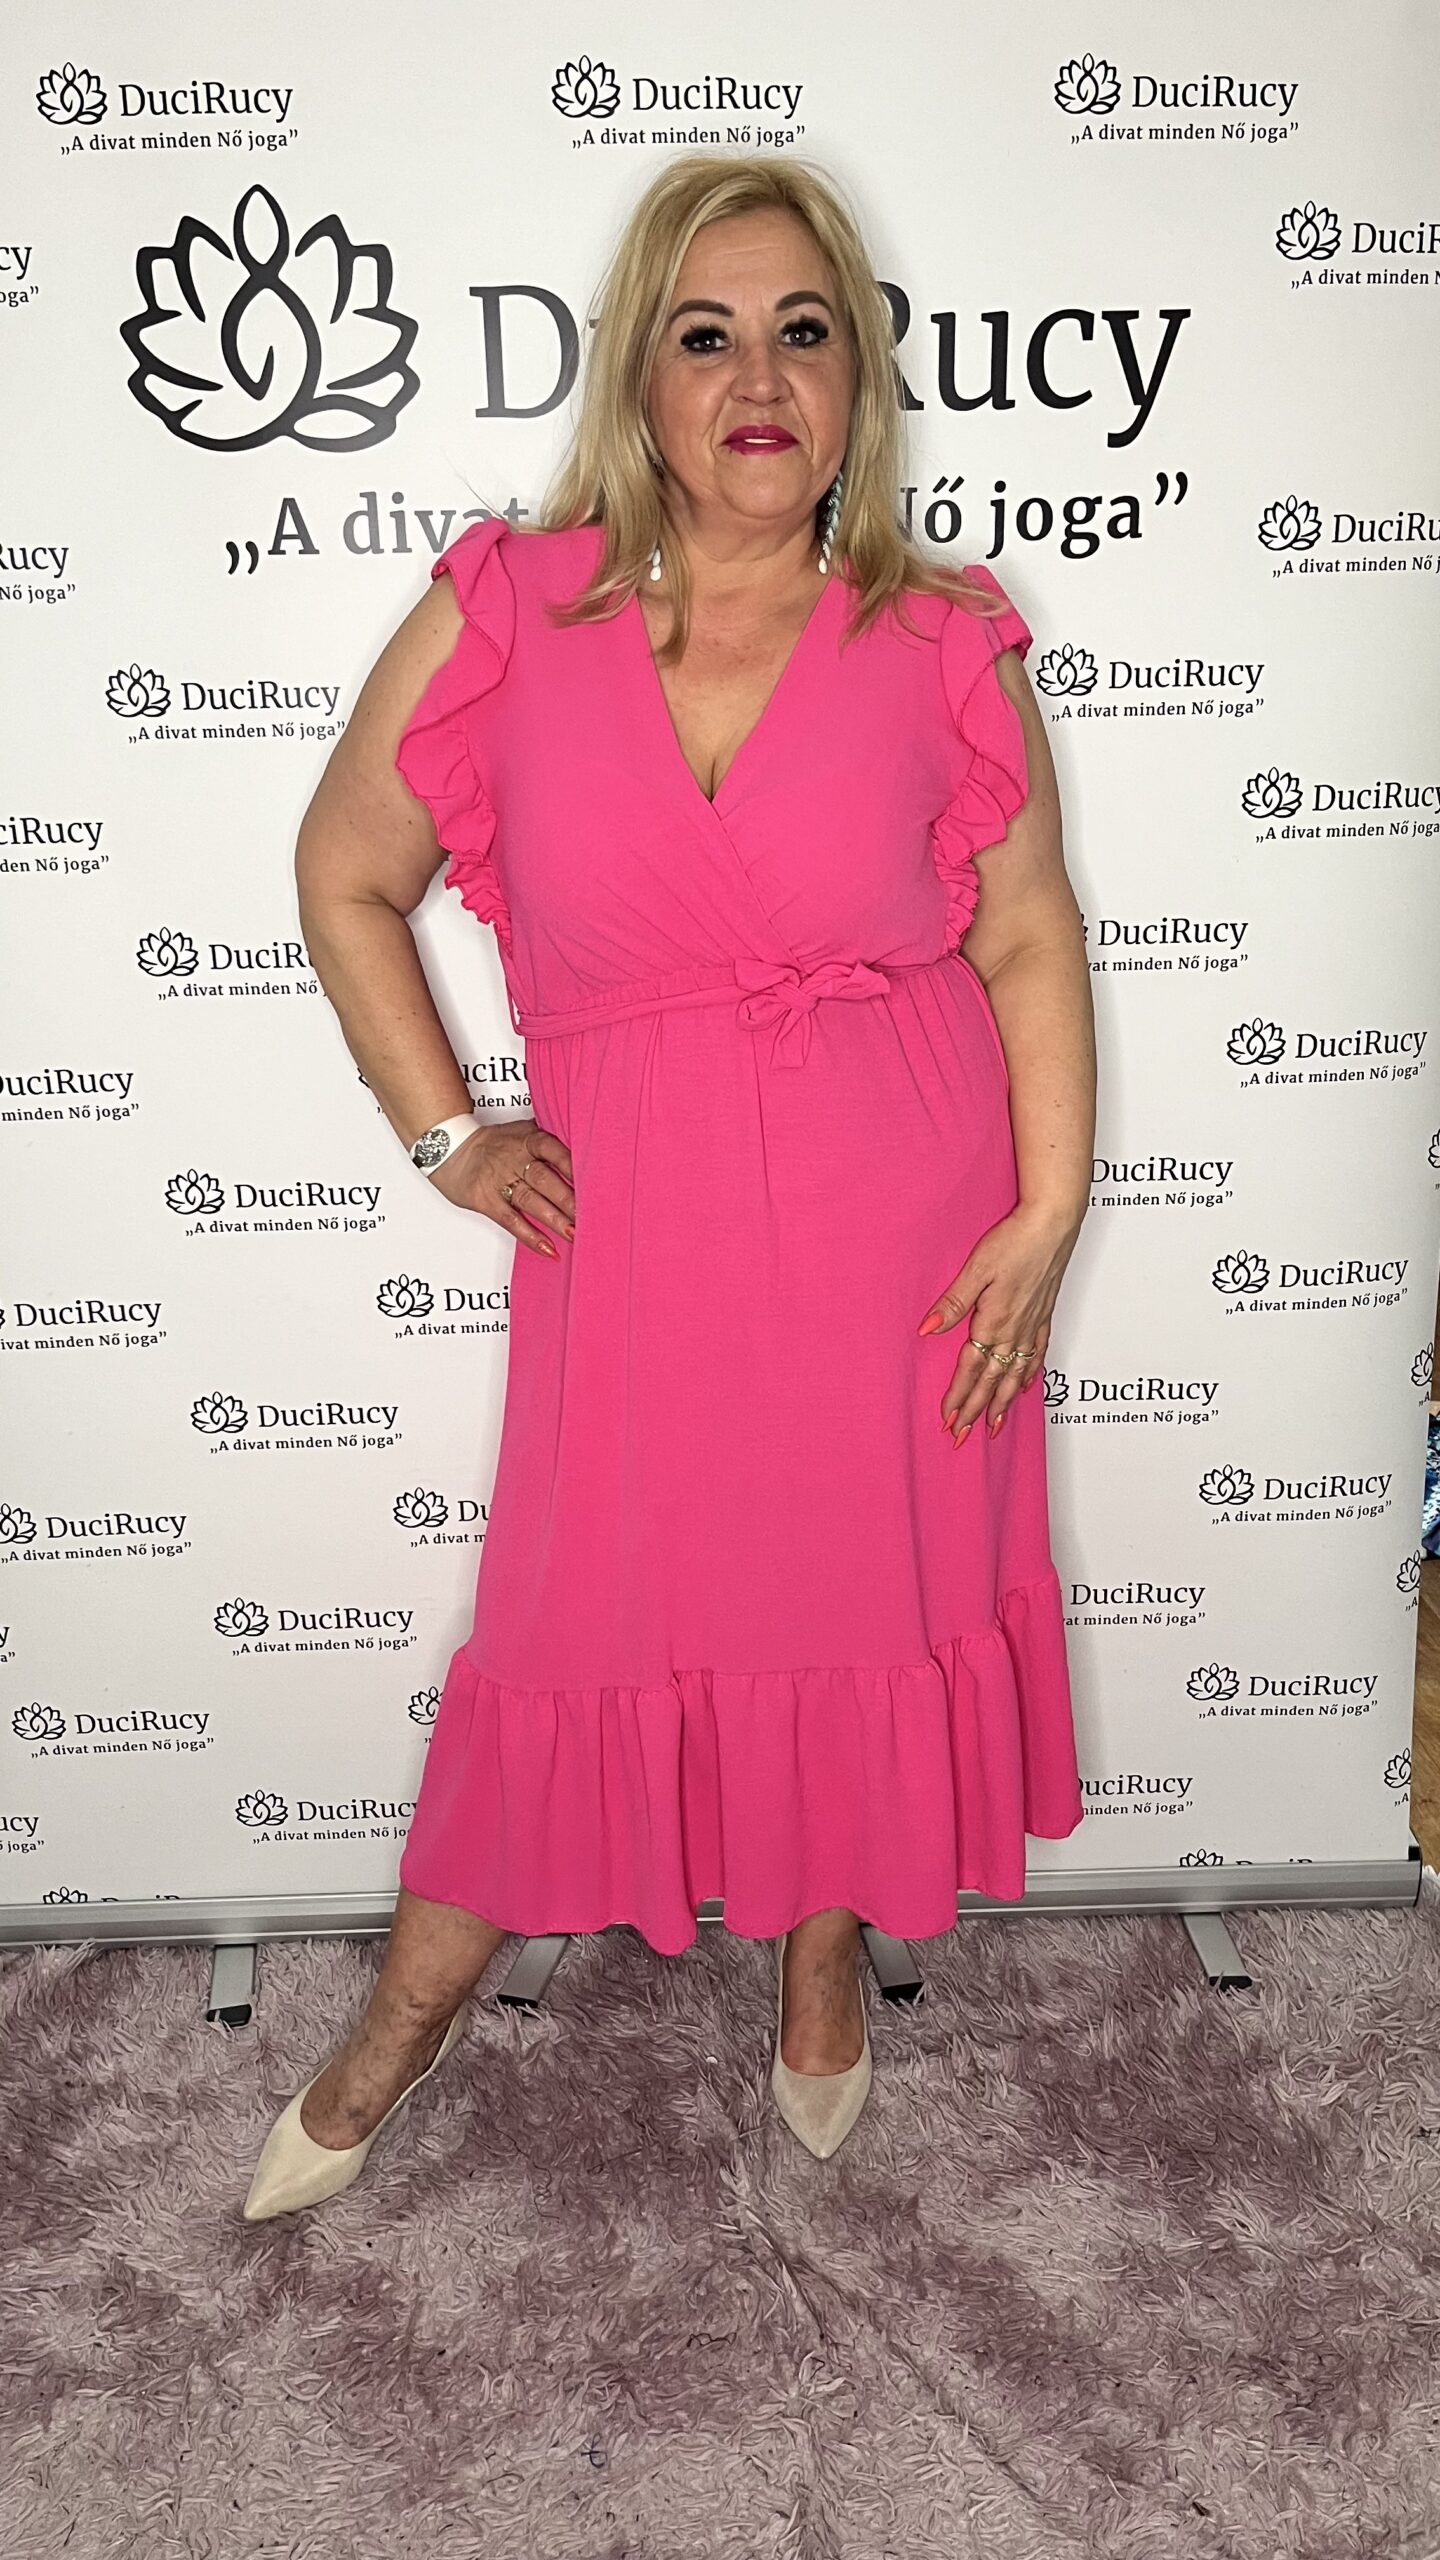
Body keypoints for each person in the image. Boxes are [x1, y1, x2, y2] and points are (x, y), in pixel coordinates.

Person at [243, 152, 1094, 2220]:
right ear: (641, 374)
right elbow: (342, 873)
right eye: (707, 335)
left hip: (904, 1228)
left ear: (858, 374)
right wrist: (449, 1134)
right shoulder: (510, 613)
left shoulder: (941, 634)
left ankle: (821, 1955)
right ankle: (400, 2024)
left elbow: (1024, 934)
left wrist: (1047, 1212)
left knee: (863, 1597)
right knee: (569, 1629)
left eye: (806, 332)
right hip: (635, 1240)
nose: (759, 380)